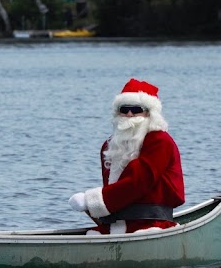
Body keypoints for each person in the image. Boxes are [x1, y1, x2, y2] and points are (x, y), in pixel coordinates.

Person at [68, 78, 184, 234]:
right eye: (124, 109)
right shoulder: (110, 146)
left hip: (153, 224)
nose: (129, 114)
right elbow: (113, 188)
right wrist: (93, 207)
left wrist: (92, 200)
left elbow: (138, 181)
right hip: (117, 222)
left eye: (136, 109)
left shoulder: (160, 141)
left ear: (149, 113)